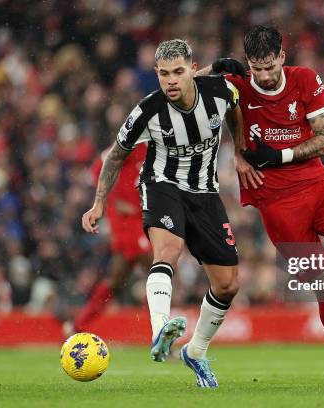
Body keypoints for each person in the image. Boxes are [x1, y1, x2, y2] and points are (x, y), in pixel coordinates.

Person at [200, 26, 324, 386]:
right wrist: (212, 69)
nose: (265, 75)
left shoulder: (304, 79)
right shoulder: (237, 84)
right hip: (276, 200)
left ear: (282, 57)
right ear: (248, 64)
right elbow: (176, 90)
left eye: (270, 66)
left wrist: (281, 154)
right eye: (257, 68)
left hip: (316, 183)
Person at [82, 39, 244, 388]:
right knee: (167, 252)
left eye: (178, 72)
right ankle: (160, 333)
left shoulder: (220, 92)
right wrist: (99, 203)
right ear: (156, 74)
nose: (171, 81)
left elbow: (235, 111)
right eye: (164, 74)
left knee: (228, 284)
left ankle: (196, 352)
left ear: (192, 69)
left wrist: (241, 152)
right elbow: (115, 156)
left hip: (205, 192)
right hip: (162, 185)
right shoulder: (147, 111)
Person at [63, 143, 151, 336]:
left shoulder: (158, 145)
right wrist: (113, 198)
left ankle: (78, 326)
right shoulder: (135, 141)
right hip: (127, 223)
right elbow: (100, 167)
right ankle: (161, 331)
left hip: (143, 218)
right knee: (158, 269)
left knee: (117, 280)